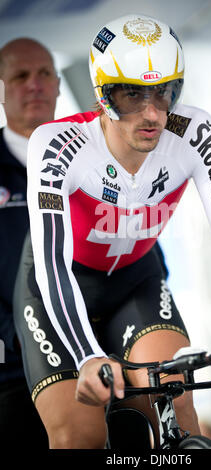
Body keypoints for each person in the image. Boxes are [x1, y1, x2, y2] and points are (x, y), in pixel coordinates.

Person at [13, 14, 211, 449]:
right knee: (79, 435)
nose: (152, 115)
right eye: (131, 95)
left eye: (164, 93)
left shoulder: (194, 131)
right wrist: (89, 356)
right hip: (60, 278)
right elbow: (52, 261)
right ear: (102, 95)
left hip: (135, 278)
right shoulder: (57, 143)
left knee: (176, 399)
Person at [0, 37, 60, 447]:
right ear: (2, 89)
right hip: (11, 377)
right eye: (21, 76)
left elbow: (136, 243)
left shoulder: (99, 158)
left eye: (44, 74)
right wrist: (16, 335)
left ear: (58, 84)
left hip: (100, 366)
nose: (35, 85)